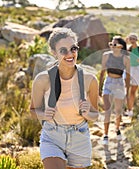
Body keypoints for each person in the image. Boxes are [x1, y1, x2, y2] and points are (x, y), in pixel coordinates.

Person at [30, 28, 99, 169]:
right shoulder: (43, 79)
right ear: (54, 53)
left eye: (73, 48)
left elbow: (95, 114)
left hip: (79, 136)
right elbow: (32, 110)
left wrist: (87, 113)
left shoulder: (89, 79)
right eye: (63, 51)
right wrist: (43, 114)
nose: (70, 54)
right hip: (52, 135)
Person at [99, 36, 130, 144]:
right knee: (107, 110)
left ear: (121, 46)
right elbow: (102, 72)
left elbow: (128, 77)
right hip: (108, 82)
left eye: (115, 44)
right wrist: (99, 88)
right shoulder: (106, 56)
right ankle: (105, 135)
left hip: (119, 84)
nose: (112, 46)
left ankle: (117, 129)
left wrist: (127, 92)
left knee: (118, 110)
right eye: (111, 44)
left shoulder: (126, 58)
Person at [125, 33, 139, 117]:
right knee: (126, 90)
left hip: (137, 70)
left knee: (133, 92)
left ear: (137, 39)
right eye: (131, 39)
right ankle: (128, 109)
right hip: (128, 70)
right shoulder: (128, 49)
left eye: (134, 38)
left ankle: (130, 110)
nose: (132, 40)